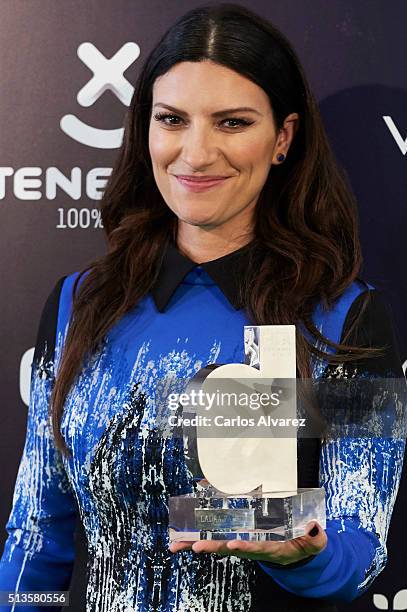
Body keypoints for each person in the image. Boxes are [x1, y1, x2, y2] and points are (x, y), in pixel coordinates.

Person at [0, 3, 405, 611]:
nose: (197, 152)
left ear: (283, 139)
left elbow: (360, 546)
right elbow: (37, 536)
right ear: (146, 130)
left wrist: (299, 550)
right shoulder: (78, 303)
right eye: (172, 119)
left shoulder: (345, 318)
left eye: (233, 122)